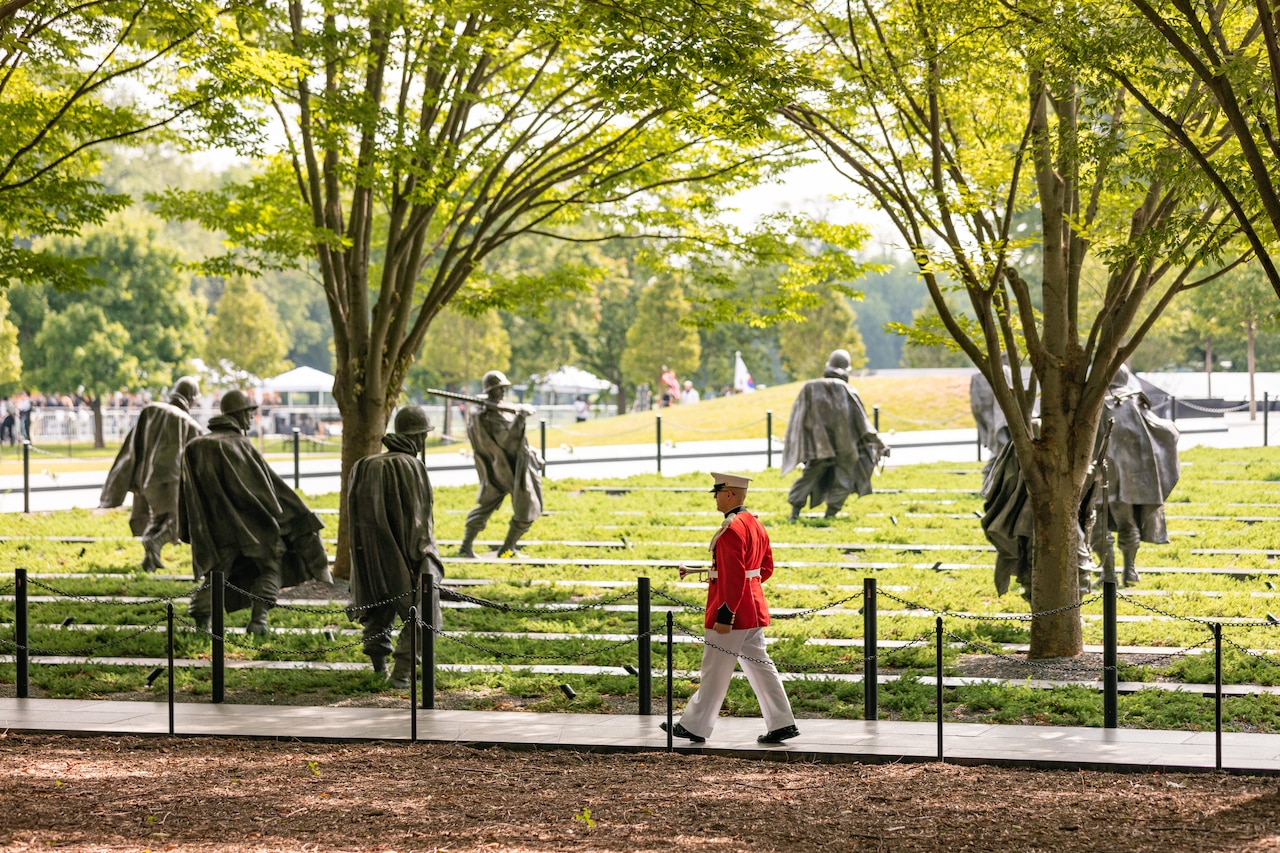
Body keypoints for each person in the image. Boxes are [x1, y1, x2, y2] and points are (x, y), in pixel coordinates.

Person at [661, 472, 799, 745]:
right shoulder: (755, 524)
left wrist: (726, 613)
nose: (715, 498)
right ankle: (783, 723)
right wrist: (748, 589)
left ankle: (695, 725)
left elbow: (735, 577)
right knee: (761, 668)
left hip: (732, 613)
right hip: (753, 608)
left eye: (717, 493)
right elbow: (765, 569)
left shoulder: (731, 529)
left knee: (714, 669)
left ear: (729, 495)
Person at [179, 390, 330, 634]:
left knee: (216, 576)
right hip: (251, 529)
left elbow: (184, 495)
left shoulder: (194, 447)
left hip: (212, 531)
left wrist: (186, 529)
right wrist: (295, 516)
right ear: (239, 414)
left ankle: (201, 626)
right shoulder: (239, 445)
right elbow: (269, 489)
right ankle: (258, 621)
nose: (251, 418)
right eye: (249, 412)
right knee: (271, 566)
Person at [347, 406, 445, 688]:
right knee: (425, 604)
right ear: (420, 437)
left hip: (367, 556)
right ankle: (402, 671)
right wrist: (424, 558)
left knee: (379, 607)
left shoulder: (362, 465)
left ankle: (379, 666)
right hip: (401, 556)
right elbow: (419, 522)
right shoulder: (412, 466)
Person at [98, 377, 205, 571]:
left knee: (157, 519)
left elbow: (132, 445)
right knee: (179, 522)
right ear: (191, 398)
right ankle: (154, 543)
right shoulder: (190, 424)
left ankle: (149, 560)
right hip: (169, 481)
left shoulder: (150, 411)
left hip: (144, 480)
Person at [1089, 365, 1180, 587]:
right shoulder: (1134, 402)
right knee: (1126, 521)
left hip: (1098, 474)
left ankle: (1108, 571)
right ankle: (1129, 569)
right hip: (1129, 477)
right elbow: (1162, 429)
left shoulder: (1093, 402)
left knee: (1098, 523)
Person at [781, 349, 888, 520]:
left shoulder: (809, 388)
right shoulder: (848, 390)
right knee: (844, 479)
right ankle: (830, 515)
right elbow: (863, 424)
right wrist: (880, 443)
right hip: (845, 448)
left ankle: (794, 513)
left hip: (819, 447)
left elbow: (798, 420)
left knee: (808, 477)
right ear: (847, 369)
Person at [455, 370, 545, 558]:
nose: (502, 391)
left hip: (511, 465)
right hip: (506, 469)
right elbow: (508, 441)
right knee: (524, 507)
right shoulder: (488, 416)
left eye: (503, 388)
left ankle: (503, 548)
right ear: (490, 391)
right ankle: (486, 547)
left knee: (492, 505)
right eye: (498, 389)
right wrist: (520, 417)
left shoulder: (496, 409)